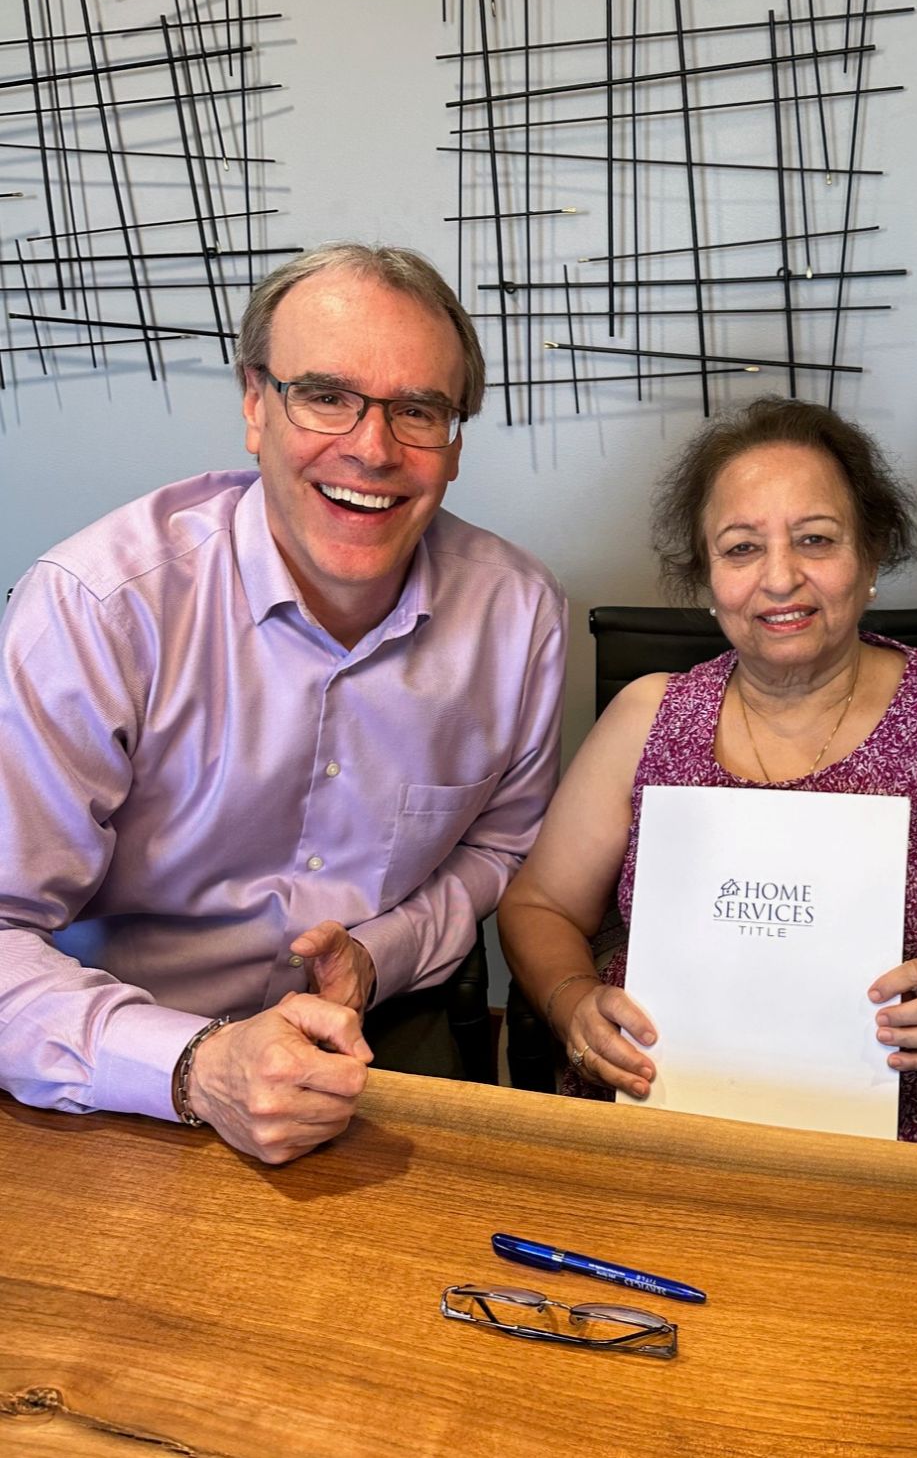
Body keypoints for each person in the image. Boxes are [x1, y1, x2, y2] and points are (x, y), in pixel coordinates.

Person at [0, 243, 566, 1164]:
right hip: (110, 1060)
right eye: (327, 396)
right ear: (255, 405)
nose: (372, 449)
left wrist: (383, 952)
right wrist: (195, 1063)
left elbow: (499, 847)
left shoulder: (519, 614)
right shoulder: (98, 606)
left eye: (417, 410)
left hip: (377, 1034)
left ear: (454, 445)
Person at [499, 396, 917, 1147]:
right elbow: (538, 905)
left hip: (890, 1132)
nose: (779, 578)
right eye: (741, 548)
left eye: (815, 539)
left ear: (871, 556)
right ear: (707, 579)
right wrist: (571, 1000)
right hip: (657, 1111)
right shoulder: (648, 716)